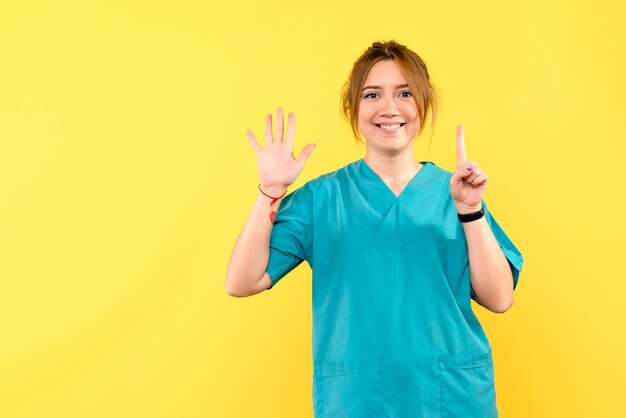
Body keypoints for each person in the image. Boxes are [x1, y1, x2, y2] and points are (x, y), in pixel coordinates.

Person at [225, 40, 523, 418]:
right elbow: (241, 281)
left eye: (405, 93)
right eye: (372, 94)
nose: (389, 108)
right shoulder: (322, 199)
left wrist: (471, 210)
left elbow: (499, 299)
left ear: (423, 105)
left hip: (452, 398)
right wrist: (270, 191)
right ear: (354, 108)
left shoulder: (459, 193)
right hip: (359, 398)